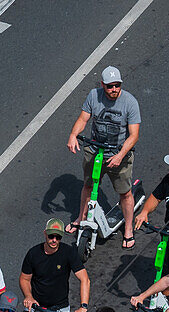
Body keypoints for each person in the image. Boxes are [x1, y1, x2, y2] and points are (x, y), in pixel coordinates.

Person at [66, 66, 141, 248]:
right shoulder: (93, 95)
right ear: (103, 85)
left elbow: (134, 135)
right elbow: (83, 119)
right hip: (95, 150)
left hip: (119, 154)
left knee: (125, 193)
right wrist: (73, 135)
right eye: (110, 86)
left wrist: (120, 155)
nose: (114, 89)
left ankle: (129, 229)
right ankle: (81, 217)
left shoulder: (130, 102)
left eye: (117, 85)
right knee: (89, 186)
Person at [19, 218, 90, 312]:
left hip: (60, 309)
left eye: (58, 237)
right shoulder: (33, 254)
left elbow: (84, 279)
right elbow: (24, 279)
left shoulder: (68, 253)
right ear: (45, 234)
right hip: (36, 309)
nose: (54, 240)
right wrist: (28, 296)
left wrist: (83, 306)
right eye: (51, 236)